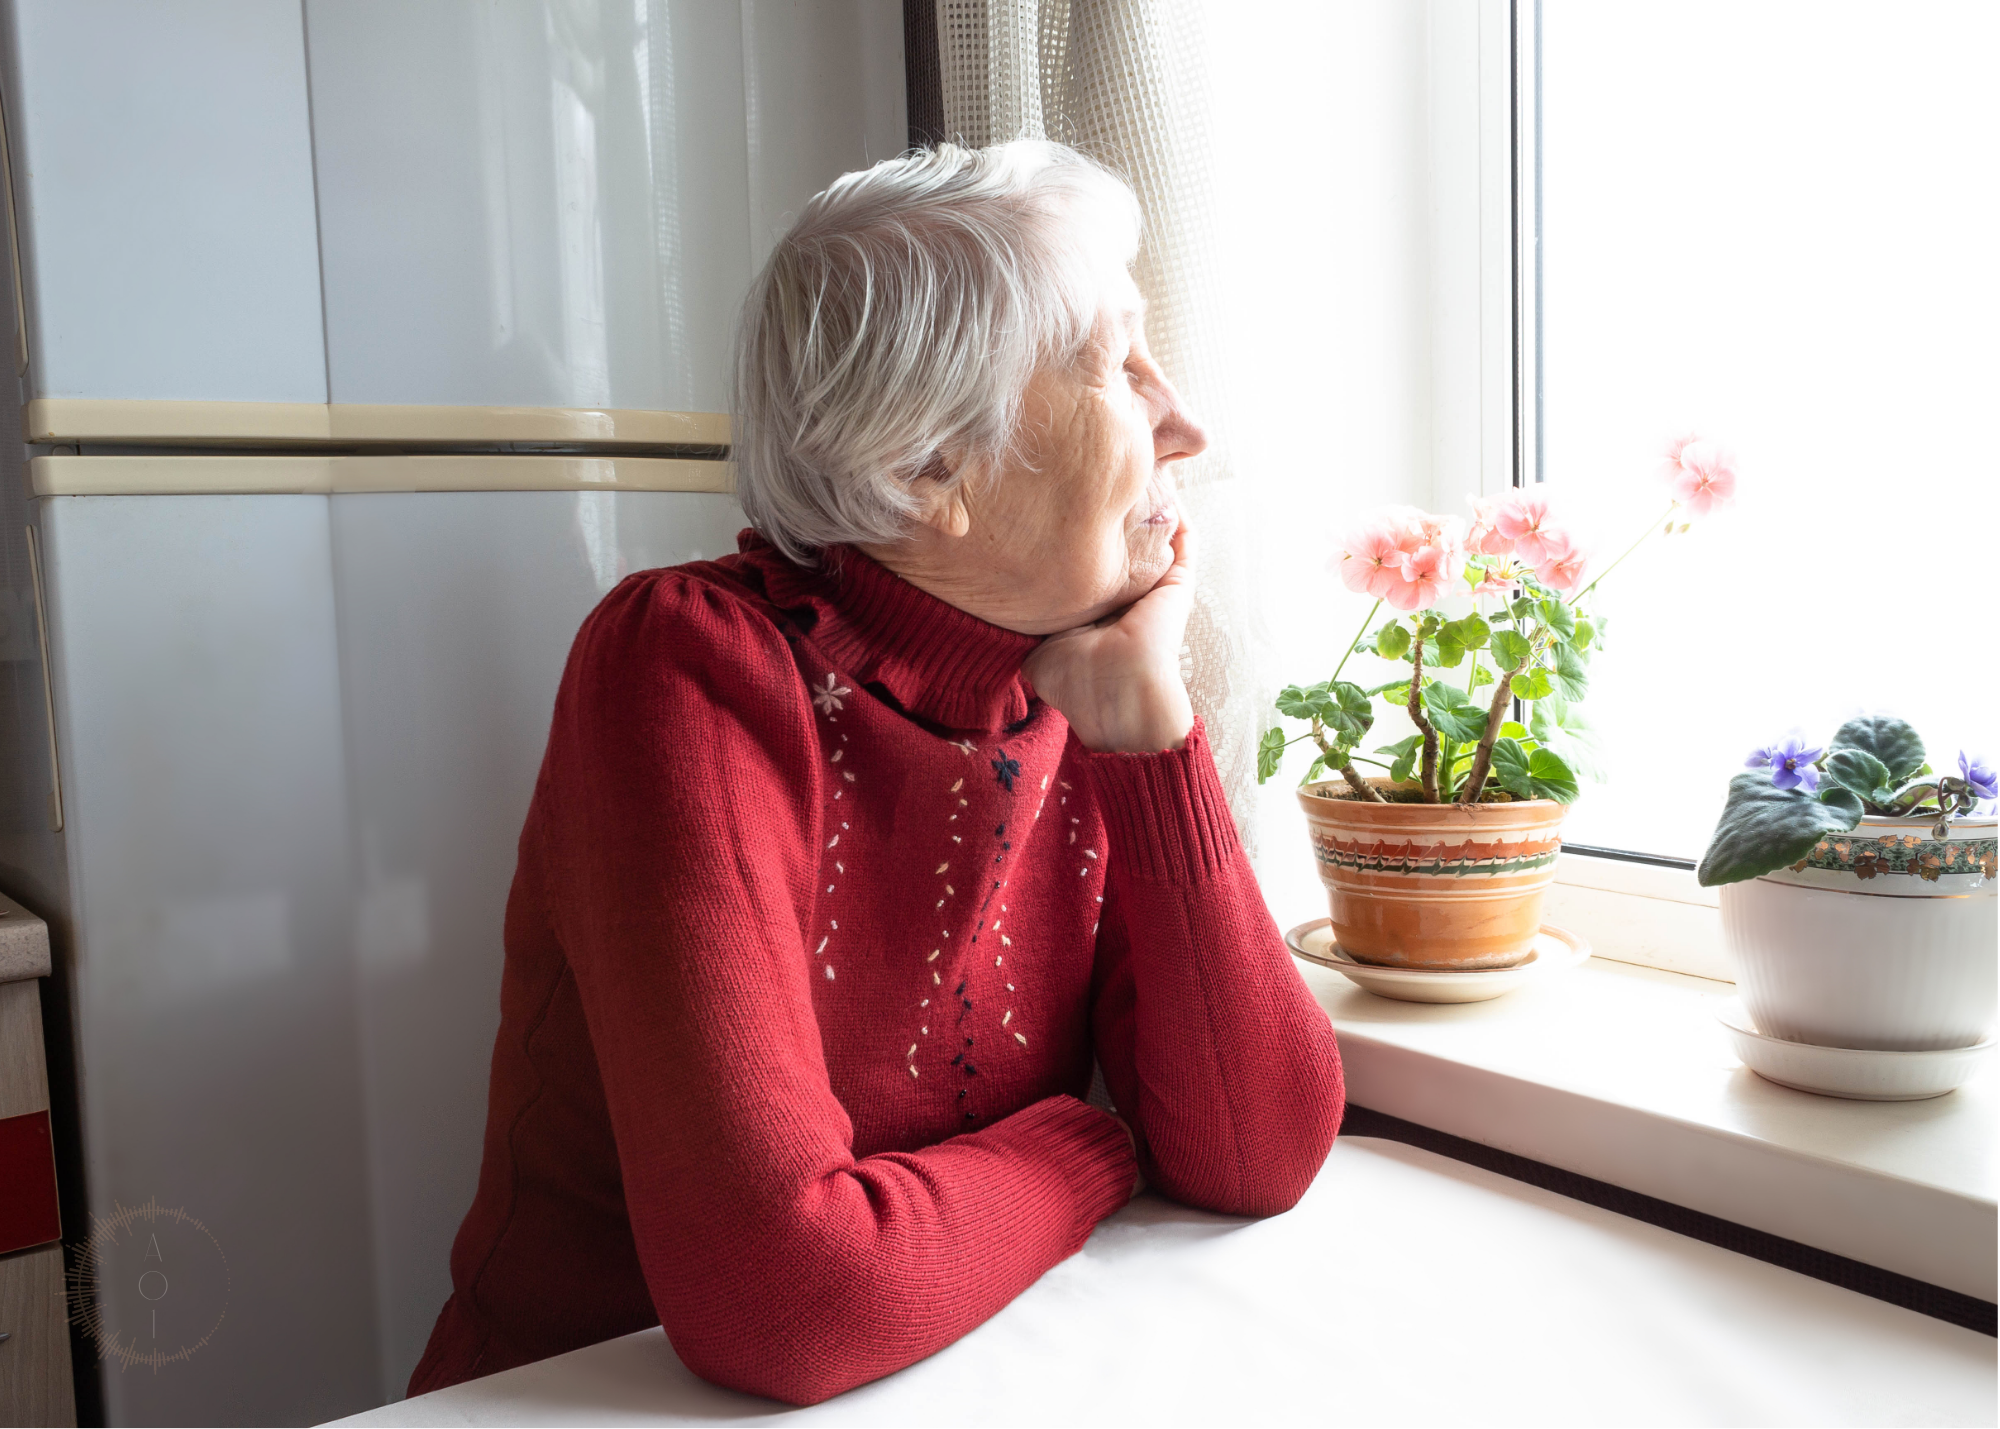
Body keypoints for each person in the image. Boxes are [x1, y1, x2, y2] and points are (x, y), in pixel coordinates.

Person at [409, 140, 1343, 1407]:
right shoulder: (684, 665)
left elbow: (1261, 1149)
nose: (1184, 422)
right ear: (925, 470)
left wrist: (1149, 737)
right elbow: (785, 1300)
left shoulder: (1070, 677)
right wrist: (1085, 1146)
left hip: (941, 1367)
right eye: (1117, 369)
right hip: (587, 1399)